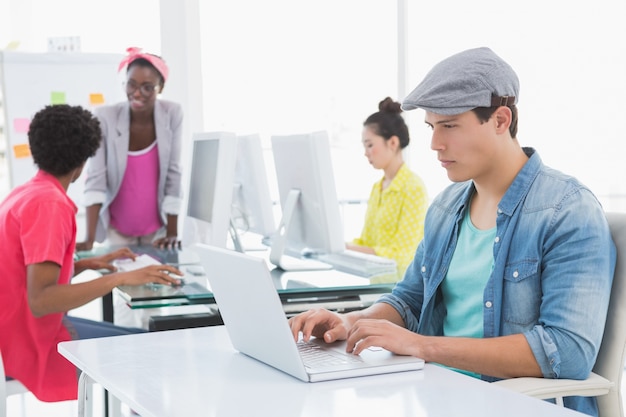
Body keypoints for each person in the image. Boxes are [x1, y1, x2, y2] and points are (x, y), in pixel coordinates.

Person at [289, 47, 616, 416]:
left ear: (500, 119)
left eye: (449, 126)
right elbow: (408, 300)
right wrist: (352, 322)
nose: (434, 144)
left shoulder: (568, 211)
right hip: (438, 395)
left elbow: (567, 351)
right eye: (432, 127)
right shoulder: (446, 208)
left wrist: (423, 346)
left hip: (513, 405)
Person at [0, 104, 183, 402]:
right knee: (152, 352)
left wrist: (86, 264)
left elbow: (25, 274)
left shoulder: (26, 193)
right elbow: (41, 299)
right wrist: (120, 279)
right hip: (30, 344)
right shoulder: (50, 205)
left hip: (13, 332)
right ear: (82, 162)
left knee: (145, 343)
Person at [76, 46, 183, 251]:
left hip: (157, 230)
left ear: (160, 87)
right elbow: (96, 177)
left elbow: (174, 173)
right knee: (121, 279)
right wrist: (89, 239)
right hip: (117, 232)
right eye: (131, 85)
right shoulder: (105, 117)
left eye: (147, 87)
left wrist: (172, 233)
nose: (137, 93)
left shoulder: (172, 114)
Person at [347, 97, 428, 279]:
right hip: (373, 284)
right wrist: (341, 247)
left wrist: (351, 248)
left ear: (392, 143)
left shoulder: (413, 188)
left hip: (397, 289)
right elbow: (366, 241)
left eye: (370, 145)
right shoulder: (378, 188)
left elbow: (403, 255)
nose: (366, 152)